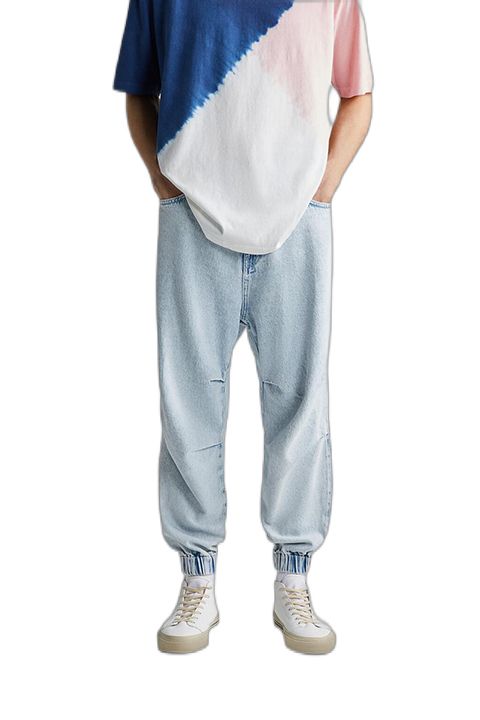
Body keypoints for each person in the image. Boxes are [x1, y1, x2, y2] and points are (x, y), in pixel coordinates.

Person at [113, 0, 373, 655]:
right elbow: (138, 89)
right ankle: (197, 578)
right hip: (191, 216)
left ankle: (294, 579)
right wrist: (163, 180)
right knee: (188, 403)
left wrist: (322, 188)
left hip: (298, 221)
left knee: (300, 403)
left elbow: (359, 92)